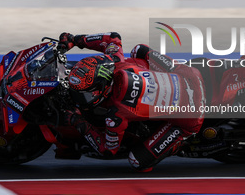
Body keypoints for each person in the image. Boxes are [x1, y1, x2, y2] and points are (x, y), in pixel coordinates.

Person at [57, 32, 206, 171]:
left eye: (86, 95)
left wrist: (77, 121)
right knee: (138, 50)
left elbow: (108, 149)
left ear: (103, 88)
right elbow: (113, 38)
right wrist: (76, 40)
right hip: (189, 74)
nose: (80, 99)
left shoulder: (116, 115)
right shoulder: (115, 60)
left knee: (137, 161)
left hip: (190, 115)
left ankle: (181, 142)